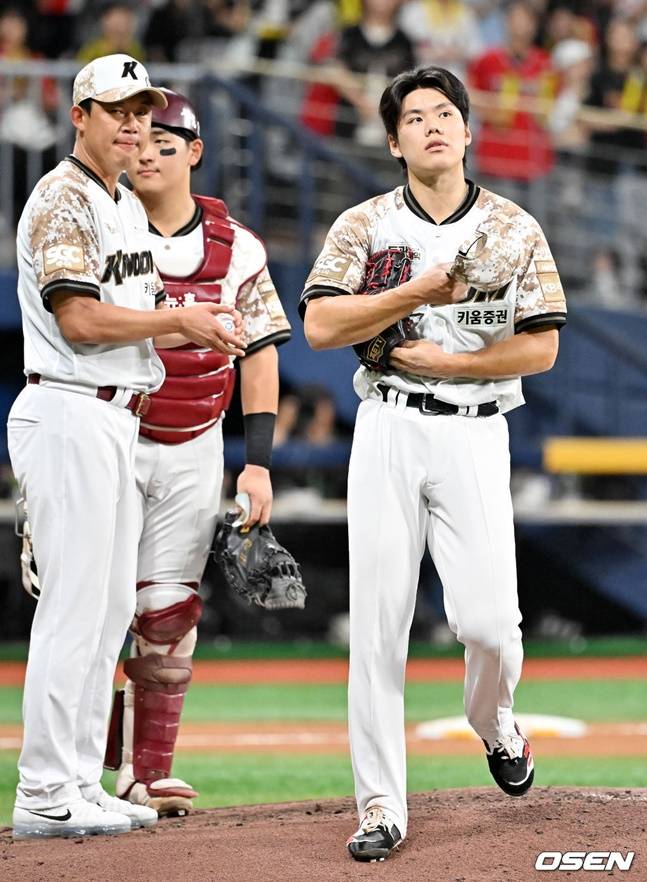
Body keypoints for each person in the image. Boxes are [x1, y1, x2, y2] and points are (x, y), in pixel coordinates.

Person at [301, 65, 566, 861]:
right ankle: (380, 806)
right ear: (392, 141)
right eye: (413, 117)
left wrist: (446, 365)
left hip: (476, 431)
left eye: (443, 112)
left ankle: (494, 723)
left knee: (490, 625)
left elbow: (543, 346)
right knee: (377, 628)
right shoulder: (363, 225)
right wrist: (410, 290)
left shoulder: (513, 227)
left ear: (467, 130)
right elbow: (319, 325)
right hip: (386, 427)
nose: (431, 125)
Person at [8, 54, 245, 839]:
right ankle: (43, 790)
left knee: (108, 608)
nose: (134, 124)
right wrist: (180, 320)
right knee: (75, 608)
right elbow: (77, 319)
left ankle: (78, 778)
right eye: (116, 110)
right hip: (70, 407)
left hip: (114, 413)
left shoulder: (124, 206)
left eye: (142, 110)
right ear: (80, 118)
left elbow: (127, 312)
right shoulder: (62, 199)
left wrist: (187, 319)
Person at [105, 89, 291, 816]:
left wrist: (259, 460)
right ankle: (78, 764)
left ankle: (147, 772)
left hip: (192, 445)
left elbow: (263, 351)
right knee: (93, 610)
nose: (147, 151)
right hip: (111, 433)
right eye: (137, 139)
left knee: (170, 613)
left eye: (164, 140)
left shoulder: (238, 245)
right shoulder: (100, 224)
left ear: (195, 151)